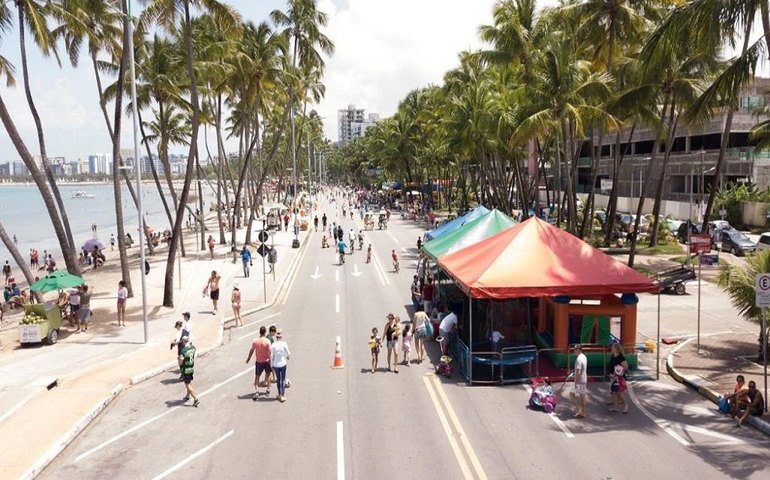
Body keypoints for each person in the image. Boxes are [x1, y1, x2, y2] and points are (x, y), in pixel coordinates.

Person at [245, 326, 272, 400]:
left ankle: (257, 391)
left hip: (259, 361)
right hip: (266, 361)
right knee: (269, 374)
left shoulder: (255, 341)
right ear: (265, 332)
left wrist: (248, 359)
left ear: (259, 332)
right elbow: (270, 351)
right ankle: (268, 389)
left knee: (257, 376)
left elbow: (252, 350)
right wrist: (272, 360)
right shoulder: (267, 341)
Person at [178, 336, 200, 407]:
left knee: (188, 384)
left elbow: (181, 361)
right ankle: (187, 395)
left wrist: (180, 363)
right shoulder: (193, 348)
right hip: (191, 368)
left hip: (186, 369)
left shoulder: (183, 351)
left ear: (184, 341)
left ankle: (196, 399)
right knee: (188, 382)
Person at [607, 342, 629, 412]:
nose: (611, 348)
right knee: (614, 391)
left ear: (616, 349)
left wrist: (618, 373)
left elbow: (626, 367)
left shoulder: (620, 357)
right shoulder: (613, 355)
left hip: (619, 377)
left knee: (619, 392)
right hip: (613, 376)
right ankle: (616, 406)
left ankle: (626, 405)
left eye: (613, 347)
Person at [270, 329, 291, 402]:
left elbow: (271, 356)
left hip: (276, 364)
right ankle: (282, 395)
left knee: (278, 380)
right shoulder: (284, 344)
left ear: (276, 336)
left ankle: (279, 394)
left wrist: (271, 365)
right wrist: (288, 357)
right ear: (281, 336)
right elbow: (288, 353)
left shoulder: (273, 345)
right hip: (283, 363)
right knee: (283, 379)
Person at [570, 344, 588, 419]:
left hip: (579, 381)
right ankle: (583, 411)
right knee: (582, 395)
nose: (574, 351)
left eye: (575, 349)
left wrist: (576, 382)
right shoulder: (583, 356)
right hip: (584, 379)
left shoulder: (578, 360)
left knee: (571, 394)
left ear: (579, 350)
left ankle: (578, 410)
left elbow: (578, 372)